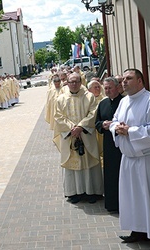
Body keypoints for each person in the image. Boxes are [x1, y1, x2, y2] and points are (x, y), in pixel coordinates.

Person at [110, 69, 150, 248]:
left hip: (148, 160)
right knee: (133, 198)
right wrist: (116, 128)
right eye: (123, 79)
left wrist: (130, 131)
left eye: (129, 79)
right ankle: (139, 230)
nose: (124, 82)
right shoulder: (124, 101)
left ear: (140, 81)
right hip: (129, 160)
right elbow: (115, 120)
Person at [53, 73, 103, 204]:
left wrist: (80, 127)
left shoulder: (89, 97)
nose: (74, 84)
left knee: (88, 162)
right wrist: (72, 128)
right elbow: (58, 116)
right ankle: (73, 192)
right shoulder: (61, 99)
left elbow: (94, 113)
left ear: (81, 82)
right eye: (71, 82)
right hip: (70, 137)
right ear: (67, 83)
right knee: (72, 163)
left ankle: (91, 192)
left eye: (76, 81)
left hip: (86, 135)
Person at [95, 77, 123, 212]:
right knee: (110, 174)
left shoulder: (124, 102)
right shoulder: (103, 103)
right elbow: (97, 123)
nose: (107, 91)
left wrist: (115, 125)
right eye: (105, 88)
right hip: (108, 144)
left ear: (117, 87)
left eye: (110, 88)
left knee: (122, 175)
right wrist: (103, 125)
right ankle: (112, 204)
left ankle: (124, 204)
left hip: (122, 145)